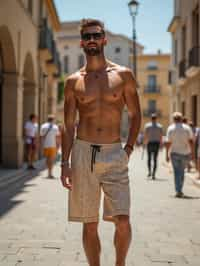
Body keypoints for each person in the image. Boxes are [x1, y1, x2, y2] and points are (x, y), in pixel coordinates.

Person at [60, 19, 141, 266]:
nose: (92, 40)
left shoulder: (123, 75)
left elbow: (136, 114)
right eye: (87, 36)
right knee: (89, 223)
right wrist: (65, 162)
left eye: (96, 35)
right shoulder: (74, 81)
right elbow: (68, 124)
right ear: (82, 42)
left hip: (114, 152)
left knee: (123, 221)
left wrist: (127, 149)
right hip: (83, 153)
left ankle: (120, 264)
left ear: (104, 39)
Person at [165, 112, 194, 198]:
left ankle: (178, 190)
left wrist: (166, 154)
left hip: (174, 153)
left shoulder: (170, 128)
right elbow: (191, 141)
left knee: (176, 172)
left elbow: (168, 142)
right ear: (181, 119)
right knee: (182, 172)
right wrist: (192, 153)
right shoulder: (187, 128)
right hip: (185, 153)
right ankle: (179, 189)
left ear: (174, 119)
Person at [143, 113, 163, 179]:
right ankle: (154, 173)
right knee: (155, 159)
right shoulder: (160, 126)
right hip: (156, 144)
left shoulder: (147, 126)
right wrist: (161, 145)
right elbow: (161, 137)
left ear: (151, 118)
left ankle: (149, 172)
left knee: (149, 158)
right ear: (156, 119)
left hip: (150, 143)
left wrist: (144, 144)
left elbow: (145, 136)